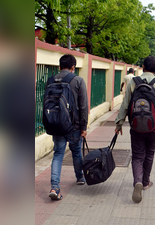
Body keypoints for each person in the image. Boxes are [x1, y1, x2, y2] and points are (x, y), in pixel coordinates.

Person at [115, 56, 155, 203]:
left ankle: (138, 181)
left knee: (137, 156)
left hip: (136, 127)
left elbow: (125, 104)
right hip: (154, 128)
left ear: (142, 67)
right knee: (149, 154)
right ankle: (146, 181)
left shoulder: (133, 82)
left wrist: (119, 123)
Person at [48, 54, 88, 200]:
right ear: (73, 67)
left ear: (59, 66)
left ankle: (54, 187)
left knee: (58, 154)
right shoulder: (77, 80)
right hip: (74, 126)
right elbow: (83, 105)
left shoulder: (51, 80)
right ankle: (80, 177)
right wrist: (84, 126)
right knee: (76, 151)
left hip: (56, 124)